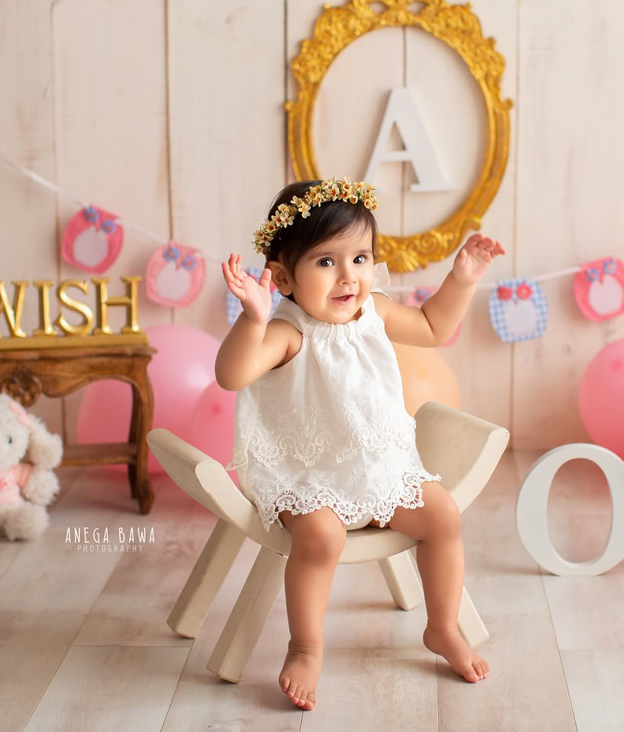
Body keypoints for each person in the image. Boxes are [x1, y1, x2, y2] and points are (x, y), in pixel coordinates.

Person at [215, 177, 506, 711]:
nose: (349, 276)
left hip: (376, 464)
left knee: (442, 515)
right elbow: (232, 376)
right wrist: (252, 320)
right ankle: (306, 647)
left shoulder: (375, 311)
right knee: (321, 536)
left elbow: (433, 326)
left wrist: (461, 279)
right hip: (305, 470)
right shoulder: (288, 332)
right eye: (326, 262)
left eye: (360, 258)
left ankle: (442, 627)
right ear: (284, 276)